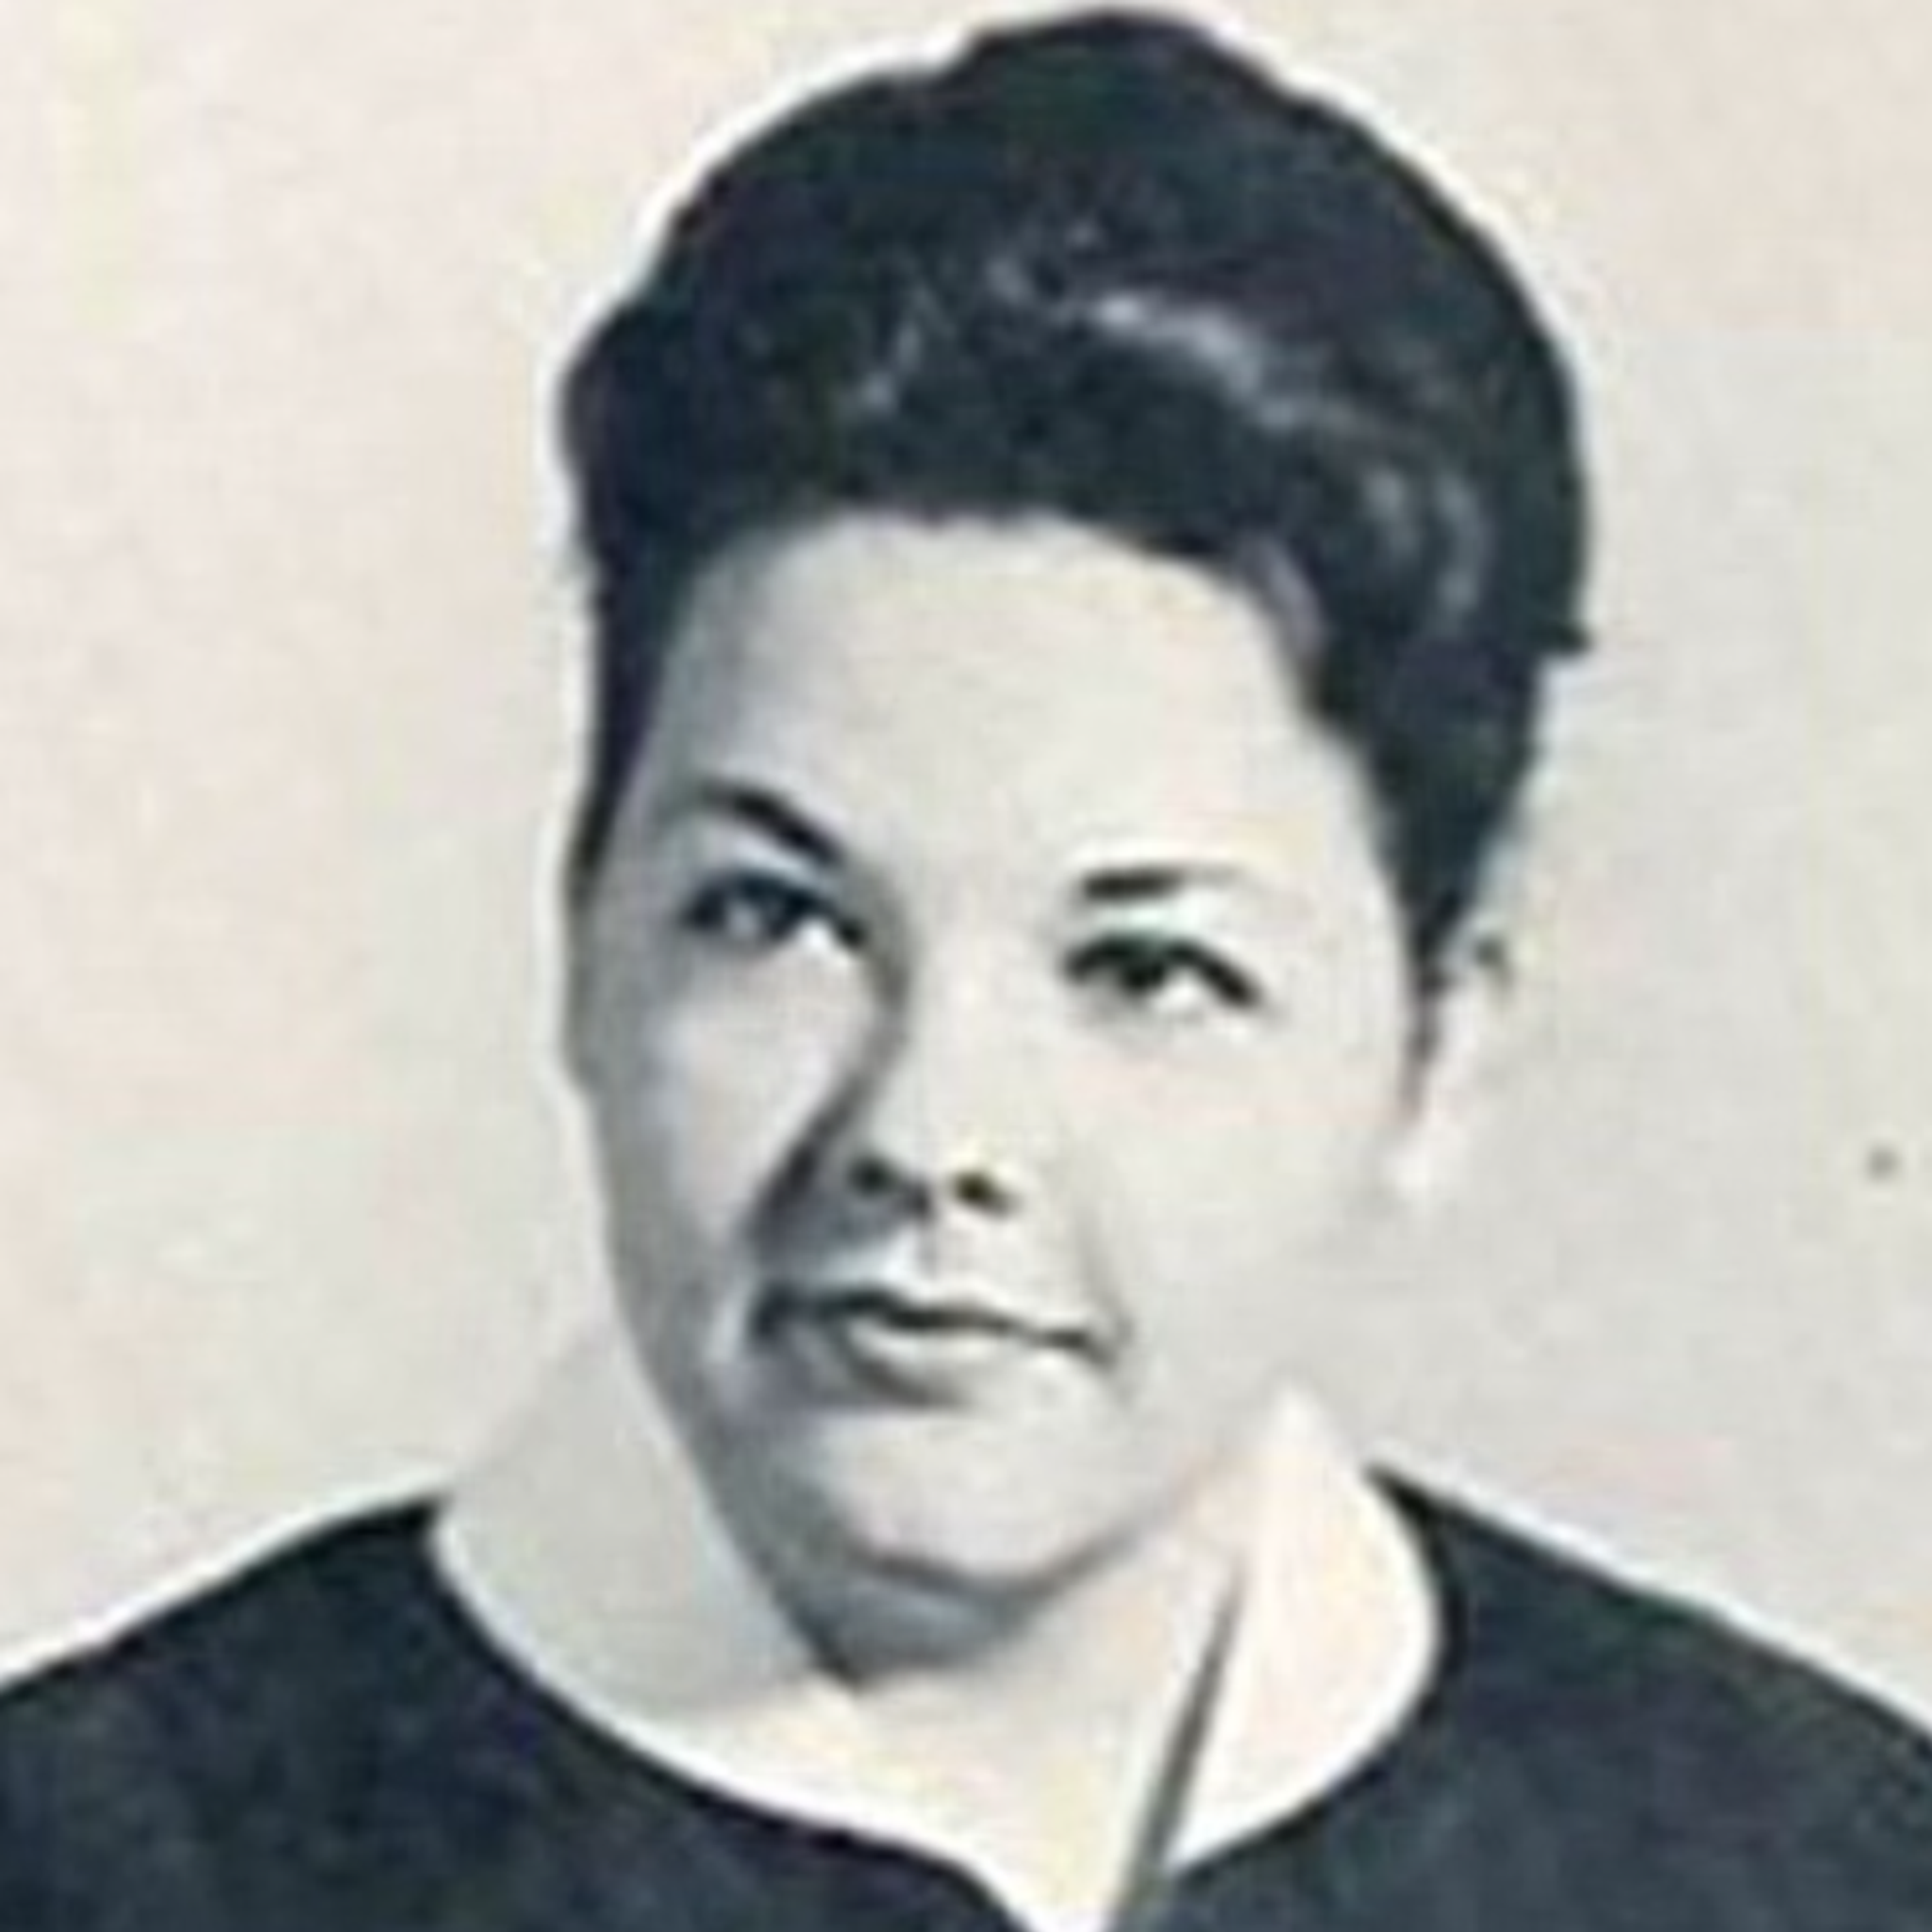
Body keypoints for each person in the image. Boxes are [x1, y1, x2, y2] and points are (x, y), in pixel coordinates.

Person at [3, 11, 1928, 1928]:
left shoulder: (1819, 1862)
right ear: (582, 931)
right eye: (776, 918)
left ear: (1445, 1038)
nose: (926, 1136)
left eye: (1147, 969)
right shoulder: (96, 1855)